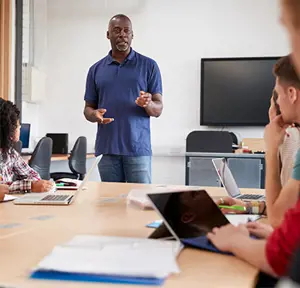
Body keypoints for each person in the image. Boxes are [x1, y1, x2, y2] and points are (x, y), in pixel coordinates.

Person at [216, 56, 300, 228]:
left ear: (291, 94)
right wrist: (247, 206)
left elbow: (279, 219)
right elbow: (285, 210)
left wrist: (271, 148)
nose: (275, 104)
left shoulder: (293, 142)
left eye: (276, 97)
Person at [83, 14, 163, 184]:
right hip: (106, 150)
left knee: (140, 204)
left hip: (138, 150)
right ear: (108, 34)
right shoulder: (95, 70)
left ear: (132, 35)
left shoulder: (149, 66)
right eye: (117, 30)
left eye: (127, 31)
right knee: (111, 205)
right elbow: (88, 108)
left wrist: (148, 104)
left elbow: (158, 109)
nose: (122, 34)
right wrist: (94, 114)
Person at [0, 99, 53, 193]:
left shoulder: (10, 153)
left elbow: (34, 177)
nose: (19, 128)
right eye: (17, 125)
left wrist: (33, 184)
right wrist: (29, 186)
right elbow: (2, 188)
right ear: (7, 128)